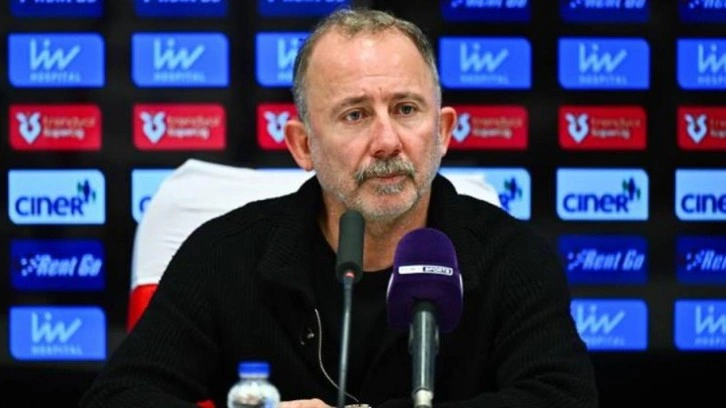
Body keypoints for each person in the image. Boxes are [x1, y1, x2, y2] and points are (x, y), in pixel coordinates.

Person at [79, 7, 598, 408]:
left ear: (442, 132)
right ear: (302, 145)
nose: (387, 141)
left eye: (406, 109)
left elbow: (563, 398)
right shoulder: (224, 254)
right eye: (355, 115)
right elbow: (118, 397)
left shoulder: (512, 257)